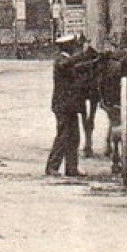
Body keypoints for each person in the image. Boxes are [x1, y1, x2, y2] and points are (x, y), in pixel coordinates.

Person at [45, 36, 92, 176]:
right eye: (73, 46)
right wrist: (82, 56)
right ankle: (52, 167)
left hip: (71, 106)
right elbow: (66, 65)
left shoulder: (68, 61)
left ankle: (71, 168)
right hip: (63, 106)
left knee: (74, 137)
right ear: (67, 46)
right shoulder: (61, 60)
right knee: (63, 136)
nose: (74, 48)